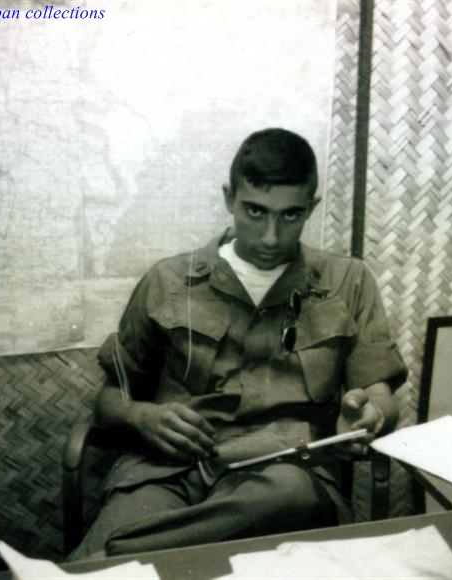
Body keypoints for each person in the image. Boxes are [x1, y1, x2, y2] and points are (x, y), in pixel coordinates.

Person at [68, 128, 407, 560]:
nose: (270, 237)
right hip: (165, 473)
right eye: (254, 211)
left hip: (282, 473)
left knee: (291, 497)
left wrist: (369, 415)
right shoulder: (168, 281)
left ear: (311, 208)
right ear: (230, 198)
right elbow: (110, 399)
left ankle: (118, 556)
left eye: (290, 216)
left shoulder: (348, 282)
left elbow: (380, 394)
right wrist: (141, 416)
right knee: (138, 512)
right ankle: (130, 551)